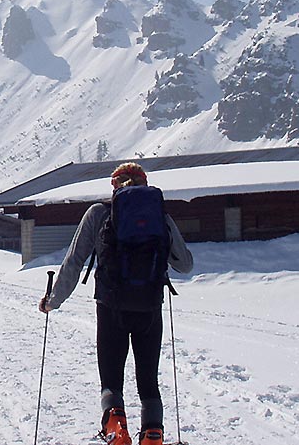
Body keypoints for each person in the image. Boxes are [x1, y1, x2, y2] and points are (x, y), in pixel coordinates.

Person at [38, 162, 193, 445]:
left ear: (114, 185)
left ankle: (116, 428)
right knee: (148, 381)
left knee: (111, 379)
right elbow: (185, 264)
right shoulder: (159, 216)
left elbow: (74, 260)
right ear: (145, 183)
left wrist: (53, 301)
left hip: (111, 307)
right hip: (149, 307)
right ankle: (153, 434)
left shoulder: (98, 214)